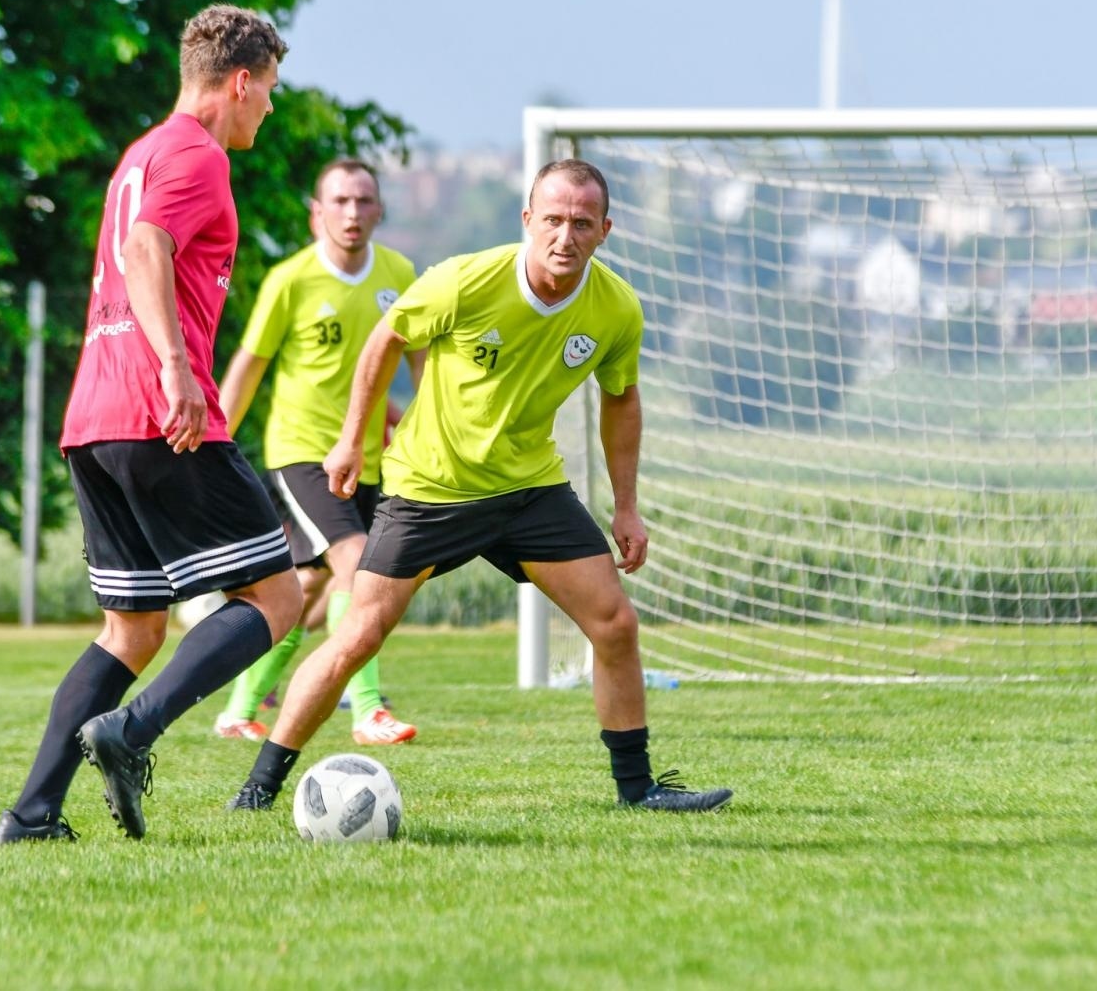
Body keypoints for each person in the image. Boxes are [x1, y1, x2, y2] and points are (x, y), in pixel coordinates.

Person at [226, 158, 732, 813]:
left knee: (615, 623)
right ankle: (258, 789)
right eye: (553, 219)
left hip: (529, 489)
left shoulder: (615, 308)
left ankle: (638, 790)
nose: (565, 236)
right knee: (358, 634)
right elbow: (385, 340)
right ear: (528, 220)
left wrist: (627, 507)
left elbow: (621, 398)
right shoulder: (465, 280)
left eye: (582, 223)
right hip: (432, 487)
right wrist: (352, 438)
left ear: (605, 230)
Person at [0, 4, 302, 843]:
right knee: (277, 596)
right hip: (157, 411)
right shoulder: (198, 154)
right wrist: (175, 368)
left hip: (93, 418)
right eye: (269, 89)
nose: (270, 106)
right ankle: (130, 734)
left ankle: (32, 815)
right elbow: (143, 250)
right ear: (240, 82)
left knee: (130, 630)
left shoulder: (141, 152)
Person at [210, 158, 425, 746]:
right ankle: (368, 710)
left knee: (306, 590)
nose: (352, 213)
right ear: (316, 213)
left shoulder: (400, 274)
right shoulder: (291, 280)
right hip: (302, 452)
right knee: (359, 567)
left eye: (363, 201)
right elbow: (249, 365)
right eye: (340, 201)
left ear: (379, 210)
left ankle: (240, 710)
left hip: (369, 458)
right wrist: (213, 441)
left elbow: (422, 362)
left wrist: (428, 429)